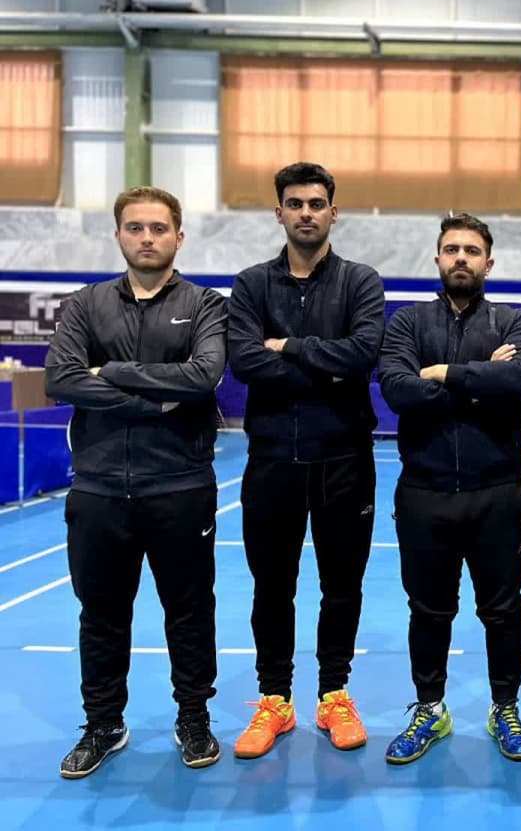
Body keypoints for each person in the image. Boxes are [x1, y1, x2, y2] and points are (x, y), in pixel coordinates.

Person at [46, 186, 227, 777]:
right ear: (119, 235)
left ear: (179, 236)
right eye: (135, 228)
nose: (147, 238)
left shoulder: (205, 305)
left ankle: (193, 718)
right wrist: (153, 401)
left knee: (189, 611)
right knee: (100, 615)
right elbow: (61, 378)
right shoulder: (86, 304)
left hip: (180, 487)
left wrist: (114, 372)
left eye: (158, 228)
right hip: (98, 490)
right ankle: (103, 723)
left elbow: (203, 376)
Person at [227, 162, 385, 758]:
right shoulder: (251, 285)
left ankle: (334, 694)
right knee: (273, 587)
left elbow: (362, 355)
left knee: (342, 587)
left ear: (333, 213)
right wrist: (325, 365)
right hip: (272, 460)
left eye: (316, 204)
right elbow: (246, 363)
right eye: (295, 204)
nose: (306, 213)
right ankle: (275, 699)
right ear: (279, 213)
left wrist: (289, 347)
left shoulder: (360, 282)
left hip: (345, 460)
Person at [379, 213, 521, 764]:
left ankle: (505, 708)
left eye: (472, 251)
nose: (461, 259)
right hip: (423, 493)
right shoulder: (406, 323)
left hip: (497, 493)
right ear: (438, 258)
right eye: (452, 249)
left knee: (504, 609)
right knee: (428, 610)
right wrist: (477, 377)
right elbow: (398, 390)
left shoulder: (513, 322)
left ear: (488, 263)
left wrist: (439, 372)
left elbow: (515, 380)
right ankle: (430, 708)